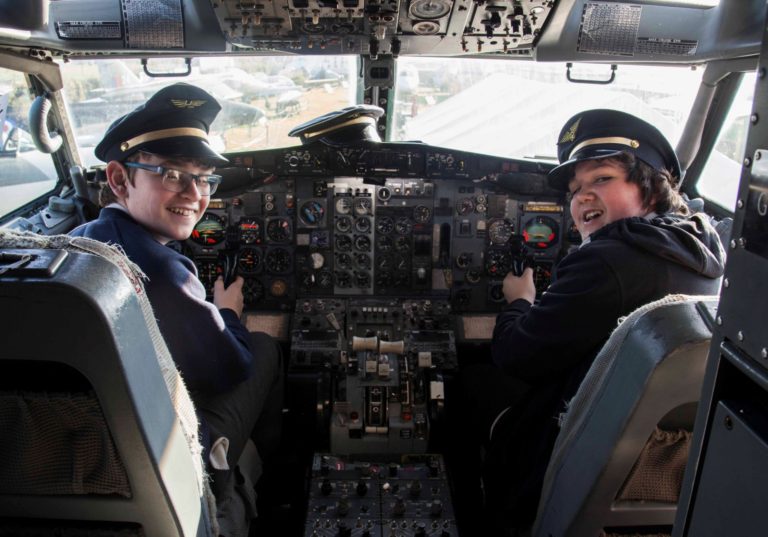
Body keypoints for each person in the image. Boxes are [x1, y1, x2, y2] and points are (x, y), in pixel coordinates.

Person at [456, 109, 726, 535]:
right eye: (576, 189)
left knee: (469, 381)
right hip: (649, 457)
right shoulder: (703, 246)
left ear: (651, 188)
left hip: (573, 437)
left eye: (602, 179)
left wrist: (520, 301)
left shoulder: (606, 261)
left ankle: (482, 513)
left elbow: (514, 355)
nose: (582, 197)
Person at [70, 83, 282, 537]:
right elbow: (228, 369)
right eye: (170, 174)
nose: (194, 193)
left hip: (82, 447)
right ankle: (266, 480)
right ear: (118, 178)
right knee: (263, 350)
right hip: (158, 454)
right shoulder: (163, 272)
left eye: (203, 178)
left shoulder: (85, 236)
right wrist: (227, 314)